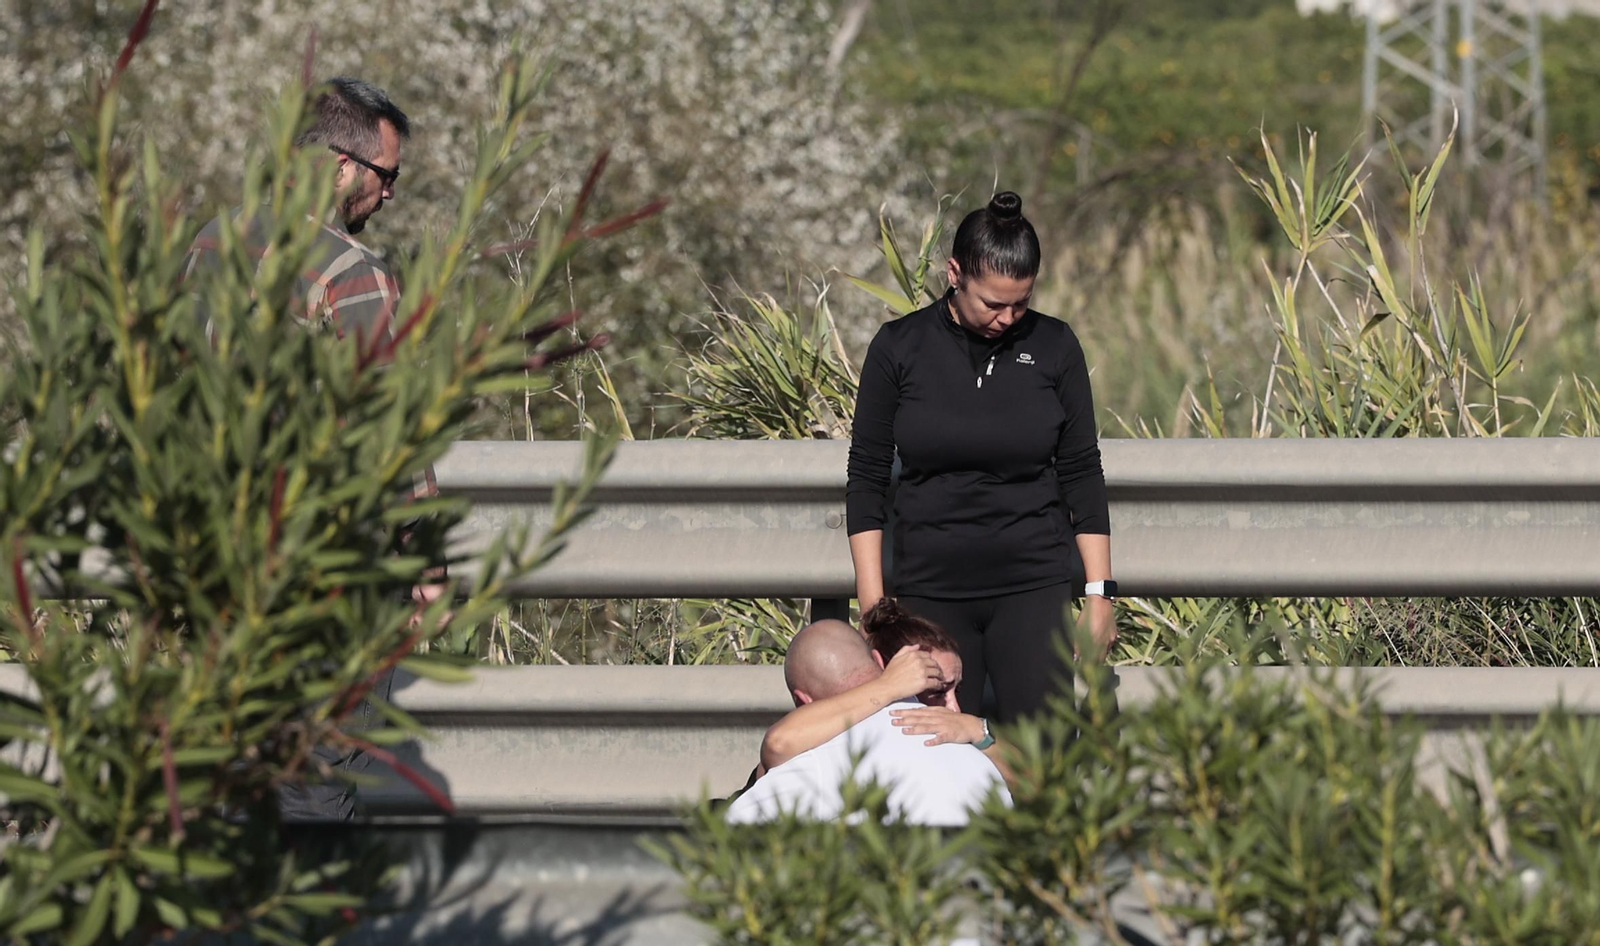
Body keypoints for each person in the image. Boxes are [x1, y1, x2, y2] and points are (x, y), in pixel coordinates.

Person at [182, 77, 428, 821]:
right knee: (316, 781)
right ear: (340, 166)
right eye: (386, 176)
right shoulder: (353, 272)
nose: (389, 196)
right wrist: (425, 562)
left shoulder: (206, 244)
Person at [846, 190, 1115, 725]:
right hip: (929, 589)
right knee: (931, 759)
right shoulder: (899, 348)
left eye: (1021, 301)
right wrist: (877, 610)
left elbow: (1082, 471)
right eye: (992, 303)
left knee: (1044, 758)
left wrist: (1099, 594)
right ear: (954, 273)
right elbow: (867, 478)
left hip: (1033, 586)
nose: (1007, 317)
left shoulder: (1056, 346)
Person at [724, 617, 1011, 826]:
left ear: (802, 701)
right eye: (937, 691)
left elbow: (730, 838)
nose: (953, 710)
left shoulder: (824, 756)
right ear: (878, 660)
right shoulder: (974, 756)